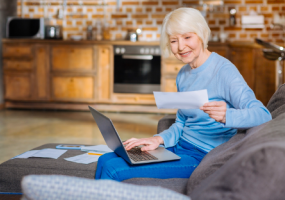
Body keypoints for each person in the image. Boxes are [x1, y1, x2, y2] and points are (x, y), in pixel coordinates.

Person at [95, 7, 272, 181]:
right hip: (178, 147)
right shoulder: (183, 74)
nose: (181, 47)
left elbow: (263, 115)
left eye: (187, 37)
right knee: (105, 159)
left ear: (202, 34)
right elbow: (181, 123)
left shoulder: (224, 71)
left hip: (202, 157)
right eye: (174, 40)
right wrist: (158, 139)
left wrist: (228, 115)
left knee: (113, 169)